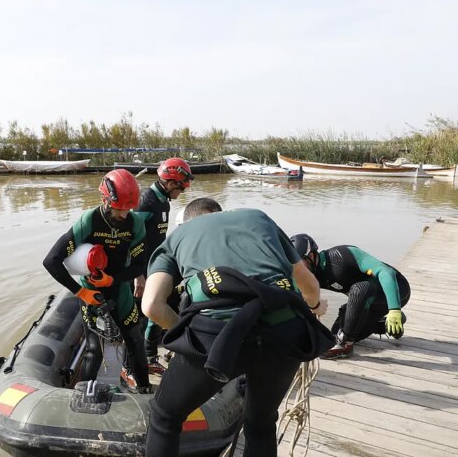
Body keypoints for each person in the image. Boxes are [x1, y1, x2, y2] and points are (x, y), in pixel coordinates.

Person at [142, 205, 330, 457]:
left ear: (185, 221)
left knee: (165, 416)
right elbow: (309, 285)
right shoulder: (258, 217)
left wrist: (187, 337)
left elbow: (151, 306)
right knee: (261, 423)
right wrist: (316, 306)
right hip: (284, 332)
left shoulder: (177, 237)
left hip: (214, 336)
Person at [42, 169, 152, 394]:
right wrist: (81, 292)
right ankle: (84, 396)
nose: (124, 214)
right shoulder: (89, 221)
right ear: (106, 200)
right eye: (120, 208)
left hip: (120, 289)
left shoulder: (135, 224)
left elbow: (141, 265)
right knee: (94, 349)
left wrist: (114, 279)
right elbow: (51, 261)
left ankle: (145, 390)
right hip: (91, 293)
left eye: (128, 209)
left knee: (135, 341)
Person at [290, 234, 411, 359]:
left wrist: (394, 309)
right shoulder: (307, 274)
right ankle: (385, 324)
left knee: (358, 290)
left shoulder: (342, 255)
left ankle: (345, 345)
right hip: (367, 303)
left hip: (396, 290)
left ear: (311, 256)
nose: (295, 268)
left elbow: (386, 272)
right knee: (334, 335)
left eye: (298, 262)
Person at [134, 158, 195, 376]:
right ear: (170, 183)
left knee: (157, 310)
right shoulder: (145, 201)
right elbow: (132, 239)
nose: (183, 191)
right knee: (144, 316)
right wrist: (137, 274)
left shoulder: (163, 202)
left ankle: (151, 356)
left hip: (155, 265)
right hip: (141, 270)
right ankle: (142, 360)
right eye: (182, 186)